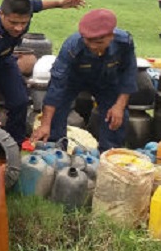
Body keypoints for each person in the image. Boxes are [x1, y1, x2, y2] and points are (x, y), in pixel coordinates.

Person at [0, 0, 85, 143]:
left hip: (4, 58)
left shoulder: (26, 9)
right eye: (13, 23)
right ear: (2, 14)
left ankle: (15, 143)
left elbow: (37, 4)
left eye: (23, 23)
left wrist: (59, 3)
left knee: (20, 101)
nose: (19, 28)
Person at [31, 9, 137, 152]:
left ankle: (108, 154)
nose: (93, 46)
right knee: (57, 111)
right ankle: (55, 150)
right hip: (72, 80)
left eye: (99, 42)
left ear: (111, 36)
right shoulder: (72, 46)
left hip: (107, 81)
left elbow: (128, 74)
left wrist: (119, 106)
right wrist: (45, 124)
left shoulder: (124, 43)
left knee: (117, 116)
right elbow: (57, 85)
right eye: (88, 41)